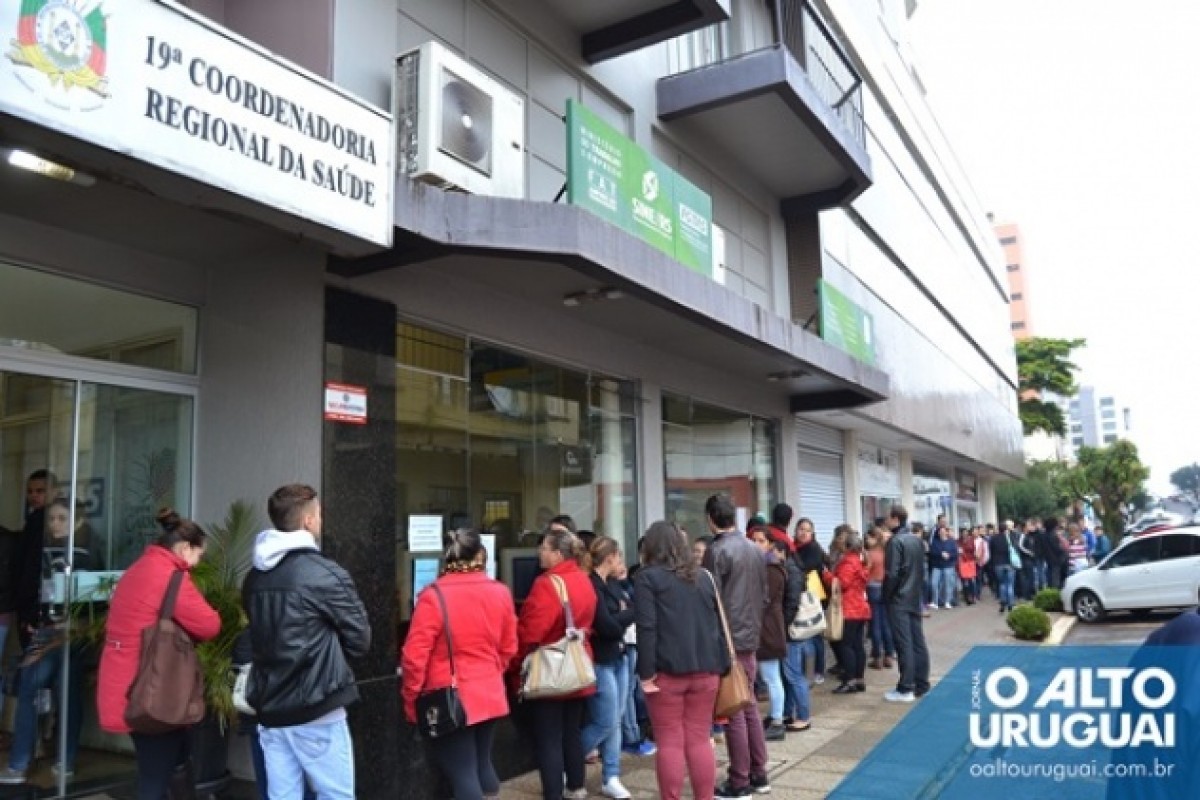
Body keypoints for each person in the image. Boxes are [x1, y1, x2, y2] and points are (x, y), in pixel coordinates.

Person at [244, 484, 371, 800]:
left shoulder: (254, 577)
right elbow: (360, 640)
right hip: (318, 708)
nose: (321, 520)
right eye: (319, 514)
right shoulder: (323, 573)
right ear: (308, 521)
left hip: (270, 709)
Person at [95, 509, 220, 799]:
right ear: (185, 548)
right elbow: (209, 625)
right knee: (155, 777)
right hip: (154, 690)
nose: (198, 563)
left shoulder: (137, 569)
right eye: (199, 555)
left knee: (168, 761)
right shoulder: (170, 577)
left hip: (126, 683)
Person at [402, 528, 517, 800]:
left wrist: (411, 699)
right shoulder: (500, 592)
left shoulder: (433, 596)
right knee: (482, 764)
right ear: (479, 554)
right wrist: (491, 672)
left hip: (449, 696)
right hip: (489, 692)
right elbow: (509, 647)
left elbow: (414, 656)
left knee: (463, 774)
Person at [635, 520, 726, 800]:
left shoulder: (647, 578)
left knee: (670, 742)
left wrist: (646, 673)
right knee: (700, 740)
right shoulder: (704, 577)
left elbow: (647, 628)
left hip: (666, 674)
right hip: (707, 669)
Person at [516, 526, 597, 800]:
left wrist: (517, 660)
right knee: (571, 732)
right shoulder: (583, 578)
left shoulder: (546, 584)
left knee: (548, 738)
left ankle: (553, 793)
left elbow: (532, 631)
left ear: (558, 554)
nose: (539, 552)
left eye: (544, 548)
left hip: (550, 668)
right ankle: (576, 787)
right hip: (577, 666)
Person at [701, 494, 769, 799]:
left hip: (727, 638)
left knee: (734, 711)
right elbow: (763, 594)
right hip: (750, 634)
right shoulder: (754, 548)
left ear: (710, 518)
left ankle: (740, 780)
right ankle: (759, 772)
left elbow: (708, 599)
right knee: (748, 704)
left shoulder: (716, 551)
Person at [579, 536, 636, 800]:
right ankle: (569, 760)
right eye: (619, 556)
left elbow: (625, 611)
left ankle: (611, 776)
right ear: (610, 557)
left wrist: (623, 614)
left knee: (616, 719)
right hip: (601, 660)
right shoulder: (592, 585)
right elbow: (607, 626)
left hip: (618, 656)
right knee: (605, 720)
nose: (621, 562)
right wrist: (627, 614)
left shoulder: (612, 584)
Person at [882, 505, 930, 703]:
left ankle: (905, 687)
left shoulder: (895, 542)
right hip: (914, 597)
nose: (885, 520)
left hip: (899, 599)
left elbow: (892, 574)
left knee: (904, 643)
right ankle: (921, 683)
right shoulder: (916, 540)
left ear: (895, 518)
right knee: (917, 641)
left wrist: (887, 595)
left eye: (887, 517)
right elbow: (921, 570)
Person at [748, 528, 786, 741]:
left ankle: (778, 720)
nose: (756, 543)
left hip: (769, 629)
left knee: (771, 676)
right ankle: (774, 716)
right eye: (753, 540)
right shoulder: (762, 565)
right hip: (765, 627)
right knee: (769, 676)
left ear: (770, 544)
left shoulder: (771, 568)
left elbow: (764, 600)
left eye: (761, 540)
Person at [830, 531, 870, 694]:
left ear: (847, 546)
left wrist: (827, 575)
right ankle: (859, 679)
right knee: (857, 645)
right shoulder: (860, 562)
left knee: (846, 645)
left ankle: (849, 680)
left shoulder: (848, 562)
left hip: (849, 608)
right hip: (861, 608)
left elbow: (842, 584)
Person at [792, 518, 828, 684]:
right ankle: (809, 670)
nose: (803, 533)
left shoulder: (813, 548)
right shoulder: (794, 547)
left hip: (813, 597)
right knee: (806, 633)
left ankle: (818, 670)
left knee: (814, 634)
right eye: (801, 529)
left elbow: (807, 567)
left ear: (812, 533)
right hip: (801, 595)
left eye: (807, 530)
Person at [864, 526, 895, 671]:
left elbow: (865, 572)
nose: (866, 540)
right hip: (885, 587)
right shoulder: (887, 553)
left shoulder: (870, 554)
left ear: (874, 538)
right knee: (886, 623)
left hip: (872, 588)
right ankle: (889, 655)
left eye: (868, 537)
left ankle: (877, 657)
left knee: (875, 624)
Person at [928, 524, 958, 609]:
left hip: (948, 566)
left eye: (944, 531)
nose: (942, 533)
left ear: (946, 532)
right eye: (940, 531)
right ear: (938, 533)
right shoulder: (935, 542)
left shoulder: (951, 542)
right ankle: (935, 602)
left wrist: (949, 555)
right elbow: (932, 552)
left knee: (948, 584)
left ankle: (947, 602)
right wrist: (941, 554)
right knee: (934, 583)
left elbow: (955, 553)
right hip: (937, 566)